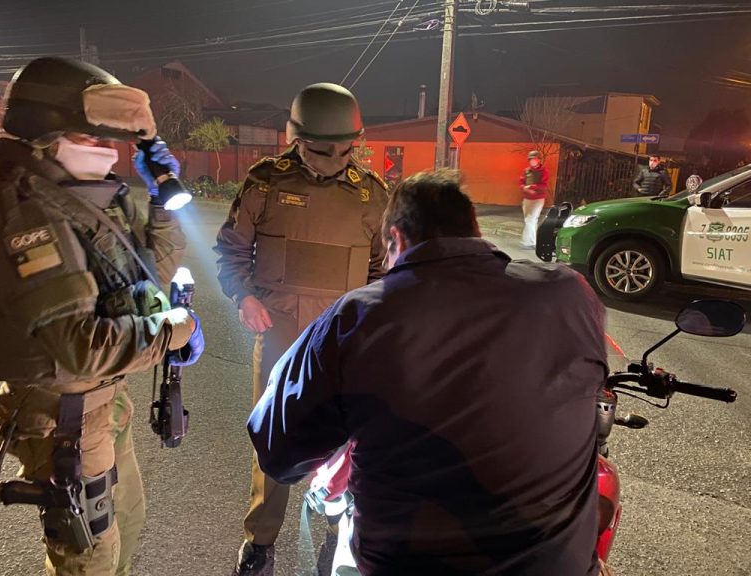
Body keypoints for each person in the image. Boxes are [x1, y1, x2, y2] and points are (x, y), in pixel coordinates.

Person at [248, 170, 609, 576]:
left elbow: (277, 450)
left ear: (396, 239)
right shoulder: (569, 293)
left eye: (384, 256)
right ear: (473, 228)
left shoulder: (359, 315)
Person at [0, 57, 203, 575]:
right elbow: (80, 344)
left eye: (112, 140)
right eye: (92, 136)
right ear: (44, 131)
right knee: (89, 560)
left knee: (127, 526)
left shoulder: (77, 197)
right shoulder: (22, 208)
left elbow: (149, 274)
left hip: (103, 402)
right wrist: (175, 330)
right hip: (62, 418)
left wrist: (163, 197)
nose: (107, 149)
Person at [214, 82, 389, 576]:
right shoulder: (266, 182)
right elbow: (231, 250)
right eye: (320, 150)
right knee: (274, 439)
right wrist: (244, 297)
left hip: (344, 339)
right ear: (295, 138)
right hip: (280, 334)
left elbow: (383, 271)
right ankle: (260, 539)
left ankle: (340, 527)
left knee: (349, 440)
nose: (333, 160)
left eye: (344, 150)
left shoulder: (373, 195)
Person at [519, 150, 549, 249]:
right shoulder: (526, 171)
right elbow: (521, 183)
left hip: (538, 199)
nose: (532, 161)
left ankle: (528, 242)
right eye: (530, 159)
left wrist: (532, 187)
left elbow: (544, 185)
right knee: (531, 221)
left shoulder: (544, 171)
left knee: (530, 219)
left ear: (539, 160)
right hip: (527, 199)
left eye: (534, 159)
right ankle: (533, 241)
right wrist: (524, 188)